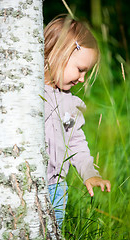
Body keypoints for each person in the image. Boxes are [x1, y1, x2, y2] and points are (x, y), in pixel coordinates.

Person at [44, 15, 111, 228]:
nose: (82, 79)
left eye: (86, 72)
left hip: (55, 188)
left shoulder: (70, 105)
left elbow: (76, 144)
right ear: (59, 52)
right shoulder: (25, 92)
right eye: (80, 69)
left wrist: (90, 174)